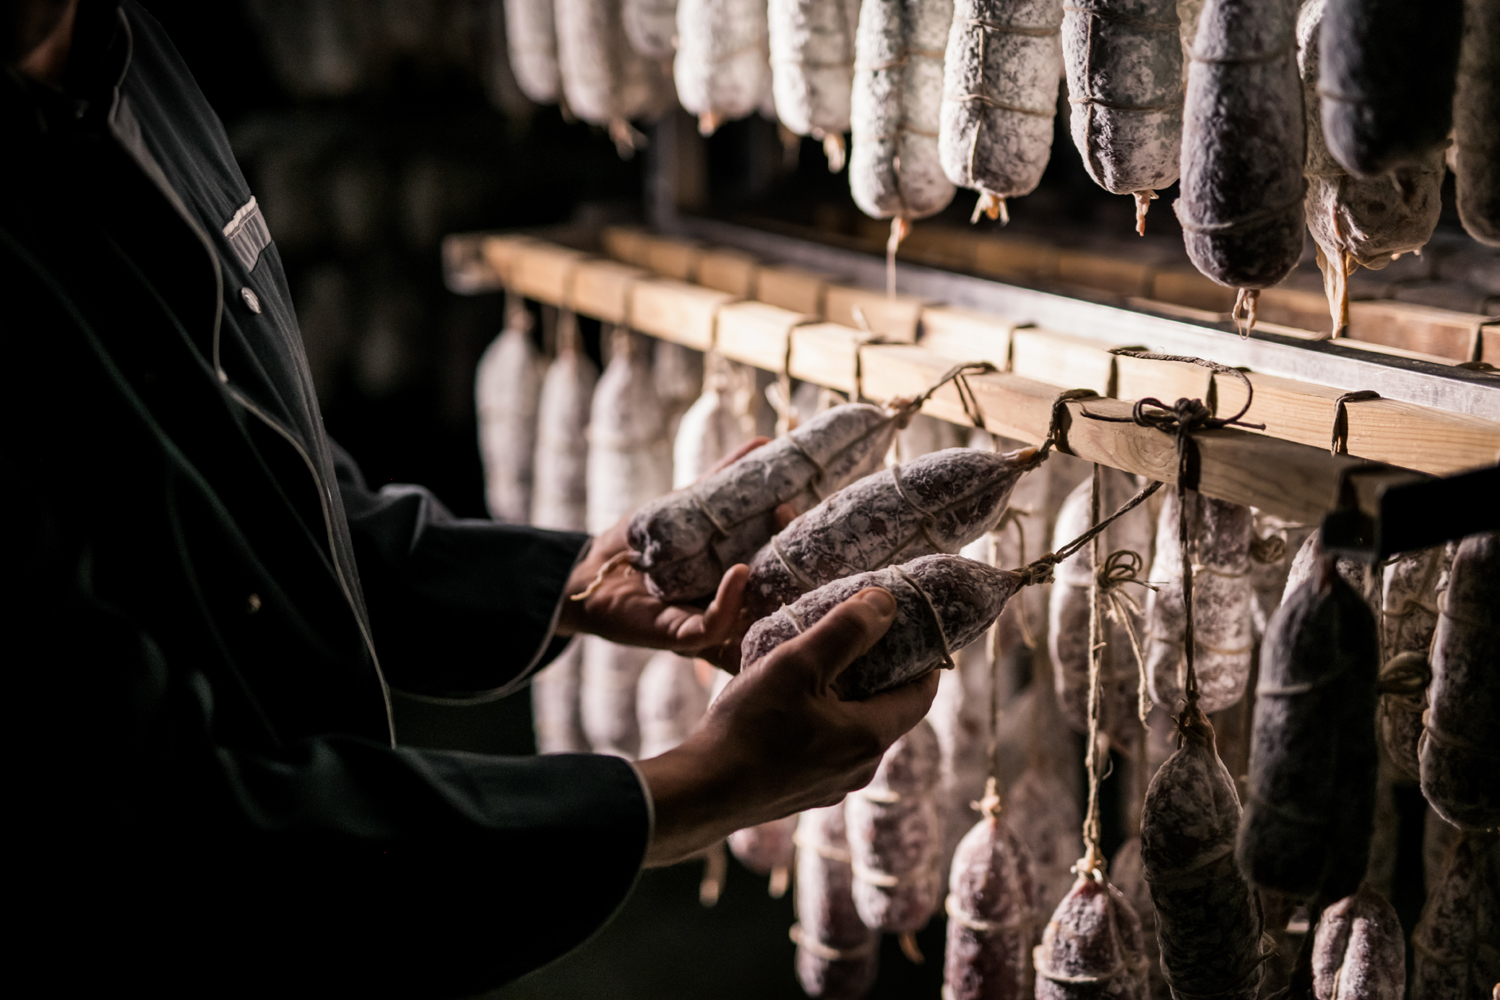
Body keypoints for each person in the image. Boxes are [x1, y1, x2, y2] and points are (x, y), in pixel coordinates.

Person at [0, 1, 937, 996]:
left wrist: (565, 578)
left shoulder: (131, 53)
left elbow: (241, 475)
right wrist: (697, 789)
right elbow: (161, 829)